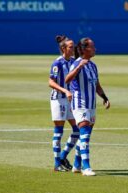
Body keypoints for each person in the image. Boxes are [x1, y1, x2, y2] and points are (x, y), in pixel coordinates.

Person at [65, 37, 110, 176]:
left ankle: (77, 165)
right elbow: (67, 79)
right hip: (80, 104)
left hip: (91, 105)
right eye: (92, 46)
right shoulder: (76, 63)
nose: (95, 48)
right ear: (84, 49)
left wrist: (104, 97)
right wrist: (79, 67)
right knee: (84, 135)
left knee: (85, 136)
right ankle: (86, 167)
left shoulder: (93, 65)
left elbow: (96, 84)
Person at [49, 35, 80, 172]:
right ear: (63, 48)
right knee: (59, 131)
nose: (73, 49)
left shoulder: (73, 61)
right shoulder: (57, 63)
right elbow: (51, 82)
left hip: (70, 100)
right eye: (71, 47)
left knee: (78, 130)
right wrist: (65, 91)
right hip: (58, 99)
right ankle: (57, 163)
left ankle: (62, 156)